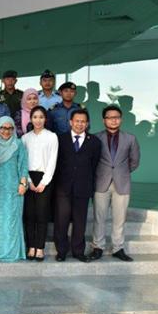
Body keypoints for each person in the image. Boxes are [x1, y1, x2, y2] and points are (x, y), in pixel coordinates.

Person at [89, 105, 140, 262]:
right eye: (110, 117)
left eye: (116, 117)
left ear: (121, 119)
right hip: (101, 182)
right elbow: (92, 160)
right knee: (99, 217)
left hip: (122, 182)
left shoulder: (130, 138)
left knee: (120, 218)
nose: (114, 120)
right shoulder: (96, 138)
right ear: (104, 120)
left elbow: (135, 161)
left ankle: (118, 248)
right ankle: (98, 247)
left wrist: (121, 172)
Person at [53, 109, 101, 262]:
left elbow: (94, 166)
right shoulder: (60, 139)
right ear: (70, 122)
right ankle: (61, 251)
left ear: (87, 124)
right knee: (61, 221)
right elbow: (56, 164)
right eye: (77, 121)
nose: (80, 124)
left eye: (83, 121)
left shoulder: (94, 142)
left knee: (80, 221)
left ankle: (78, 251)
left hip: (83, 187)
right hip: (63, 187)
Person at [21, 106, 58, 262]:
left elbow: (52, 161)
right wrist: (29, 181)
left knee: (42, 214)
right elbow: (22, 162)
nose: (38, 120)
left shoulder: (51, 137)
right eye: (35, 117)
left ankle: (40, 248)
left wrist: (43, 182)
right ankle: (31, 246)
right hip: (28, 177)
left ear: (45, 119)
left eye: (41, 117)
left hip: (45, 178)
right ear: (30, 119)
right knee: (29, 215)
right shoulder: (25, 138)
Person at [0, 116, 29, 262]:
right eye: (3, 128)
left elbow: (23, 165)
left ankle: (12, 253)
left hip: (14, 189)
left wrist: (23, 184)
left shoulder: (18, 144)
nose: (6, 131)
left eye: (10, 128)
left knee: (12, 221)